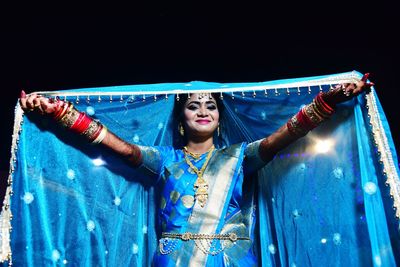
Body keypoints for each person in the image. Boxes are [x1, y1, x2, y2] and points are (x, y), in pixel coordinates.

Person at [19, 73, 374, 266]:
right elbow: (115, 144)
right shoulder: (164, 160)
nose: (203, 110)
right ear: (182, 119)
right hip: (174, 260)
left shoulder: (240, 157)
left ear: (219, 120)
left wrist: (328, 100)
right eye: (193, 106)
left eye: (210, 106)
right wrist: (56, 112)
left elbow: (285, 135)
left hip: (232, 260)